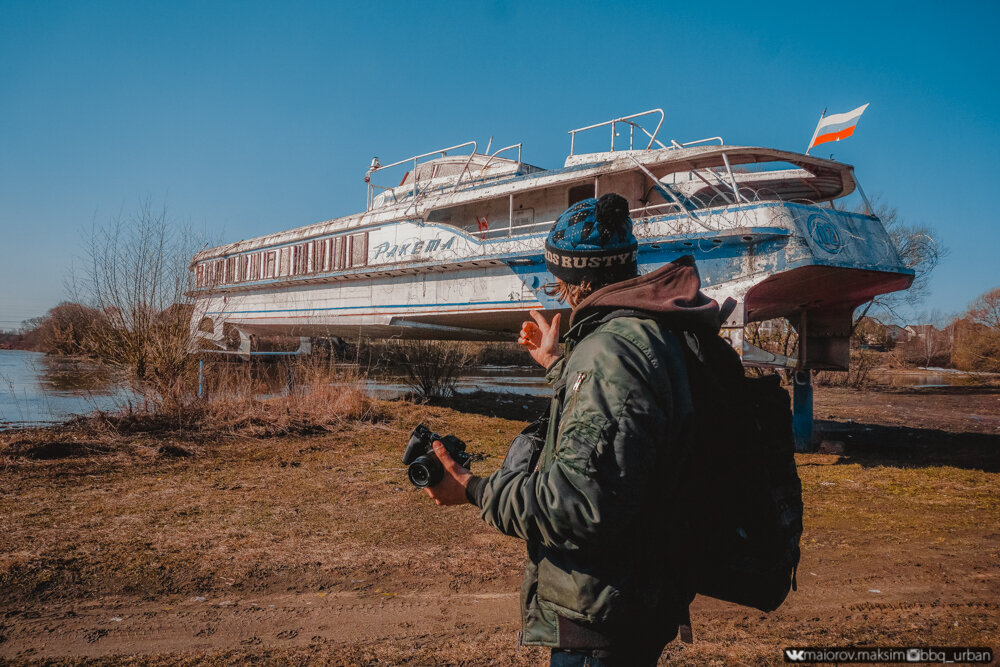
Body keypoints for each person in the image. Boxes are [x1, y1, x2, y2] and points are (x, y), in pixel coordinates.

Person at [424, 193, 723, 666]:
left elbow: (578, 505)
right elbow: (624, 424)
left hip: (601, 616)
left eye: (556, 276)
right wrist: (559, 364)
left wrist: (473, 488)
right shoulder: (648, 331)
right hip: (637, 596)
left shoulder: (610, 352)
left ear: (569, 278)